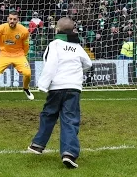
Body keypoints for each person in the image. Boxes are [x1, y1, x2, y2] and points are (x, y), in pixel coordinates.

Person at [27, 17, 92, 168]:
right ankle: (69, 153)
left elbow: (50, 65)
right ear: (72, 31)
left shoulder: (55, 44)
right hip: (73, 87)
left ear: (57, 30)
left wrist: (43, 85)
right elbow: (88, 63)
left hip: (57, 87)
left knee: (48, 114)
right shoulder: (77, 47)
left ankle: (38, 145)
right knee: (70, 119)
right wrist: (76, 71)